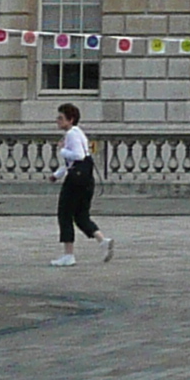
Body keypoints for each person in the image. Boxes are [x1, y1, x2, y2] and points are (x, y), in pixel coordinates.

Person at [53, 103, 114, 265]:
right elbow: (73, 162)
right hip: (86, 179)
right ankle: (102, 240)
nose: (57, 121)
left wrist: (62, 150)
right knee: (81, 215)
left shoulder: (71, 134)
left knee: (65, 213)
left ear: (70, 119)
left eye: (61, 118)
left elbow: (77, 157)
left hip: (75, 181)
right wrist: (57, 175)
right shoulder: (79, 134)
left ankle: (68, 254)